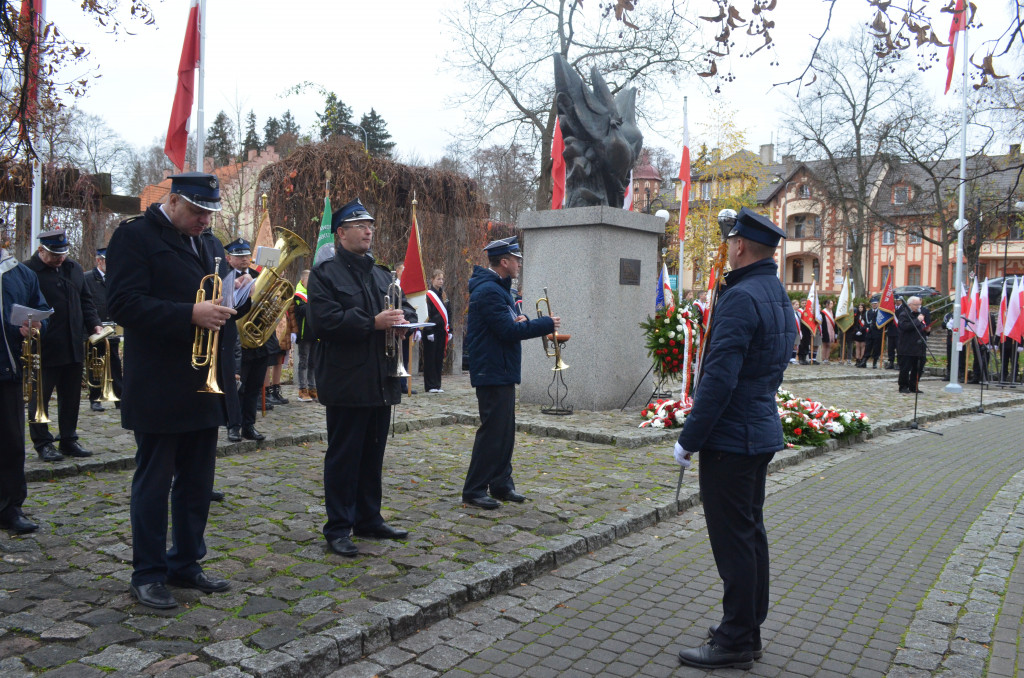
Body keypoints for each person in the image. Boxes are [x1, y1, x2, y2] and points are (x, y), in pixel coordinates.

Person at [107, 172, 247, 609]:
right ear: (174, 200)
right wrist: (191, 312)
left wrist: (236, 303)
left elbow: (215, 305)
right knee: (154, 482)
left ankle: (185, 561)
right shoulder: (135, 236)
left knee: (197, 482)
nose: (206, 221)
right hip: (159, 383)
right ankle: (147, 573)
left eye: (210, 214)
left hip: (204, 384)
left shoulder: (207, 244)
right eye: (199, 212)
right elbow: (123, 304)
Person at [674, 208, 796, 671]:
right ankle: (747, 627)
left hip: (733, 437)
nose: (728, 246)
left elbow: (718, 380)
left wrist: (689, 439)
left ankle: (736, 640)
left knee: (734, 542)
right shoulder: (773, 291)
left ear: (741, 245)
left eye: (730, 241)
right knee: (750, 535)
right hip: (757, 426)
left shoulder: (743, 296)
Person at [306, 198, 416, 557]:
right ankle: (338, 527)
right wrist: (372, 323)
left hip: (380, 378)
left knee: (373, 454)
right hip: (346, 380)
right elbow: (323, 322)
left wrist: (404, 324)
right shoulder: (325, 274)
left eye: (370, 224)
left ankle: (369, 517)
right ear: (340, 233)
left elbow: (408, 309)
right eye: (359, 225)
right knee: (344, 457)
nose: (369, 230)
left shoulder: (383, 273)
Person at [461, 236, 558, 510]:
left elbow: (509, 322)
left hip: (501, 368)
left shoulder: (501, 289)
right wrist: (545, 323)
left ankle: (501, 484)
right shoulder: (489, 291)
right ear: (504, 262)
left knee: (504, 433)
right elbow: (507, 330)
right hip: (492, 370)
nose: (519, 265)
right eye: (516, 260)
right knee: (492, 433)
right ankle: (474, 489)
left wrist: (525, 319)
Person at [25, 229, 103, 462]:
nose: (60, 258)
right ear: (41, 250)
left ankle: (68, 439)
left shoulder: (74, 268)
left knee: (71, 396)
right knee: (40, 398)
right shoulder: (28, 271)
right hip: (45, 346)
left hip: (73, 343)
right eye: (54, 254)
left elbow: (86, 302)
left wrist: (95, 325)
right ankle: (43, 443)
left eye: (63, 253)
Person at [0, 243, 51, 533]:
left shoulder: (21, 274)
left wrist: (35, 326)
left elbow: (41, 310)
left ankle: (10, 508)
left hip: (7, 370)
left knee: (10, 443)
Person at [225, 238, 276, 440]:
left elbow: (270, 305)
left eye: (246, 255)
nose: (244, 259)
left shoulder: (259, 276)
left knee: (254, 386)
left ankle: (249, 426)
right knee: (238, 386)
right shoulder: (226, 278)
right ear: (229, 259)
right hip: (237, 341)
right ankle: (233, 426)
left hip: (259, 339)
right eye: (239, 256)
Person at [84, 247, 123, 411]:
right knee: (94, 364)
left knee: (114, 362)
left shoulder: (116, 278)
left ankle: (119, 397)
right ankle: (95, 397)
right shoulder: (87, 278)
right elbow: (86, 302)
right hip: (94, 328)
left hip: (112, 328)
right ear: (99, 261)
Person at [423, 269, 451, 393]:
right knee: (430, 358)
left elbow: (448, 313)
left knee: (439, 357)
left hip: (442, 330)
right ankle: (430, 385)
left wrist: (450, 330)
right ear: (432, 279)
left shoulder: (443, 295)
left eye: (442, 279)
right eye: (438, 279)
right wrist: (428, 331)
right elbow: (426, 314)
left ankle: (437, 384)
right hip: (431, 331)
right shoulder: (428, 295)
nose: (441, 281)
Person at [291, 269, 317, 402]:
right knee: (303, 362)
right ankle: (302, 389)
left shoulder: (314, 295)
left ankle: (313, 388)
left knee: (313, 362)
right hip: (304, 334)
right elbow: (303, 310)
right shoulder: (299, 295)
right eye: (309, 281)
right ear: (302, 281)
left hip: (315, 333)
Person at [897, 296, 929, 393]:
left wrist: (927, 330)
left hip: (919, 347)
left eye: (919, 304)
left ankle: (914, 386)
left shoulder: (918, 315)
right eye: (916, 305)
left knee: (918, 368)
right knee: (905, 368)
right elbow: (905, 327)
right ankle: (903, 386)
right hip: (907, 347)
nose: (919, 307)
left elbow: (921, 327)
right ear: (909, 305)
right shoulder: (904, 314)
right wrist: (917, 321)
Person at [861, 299, 882, 368]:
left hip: (878, 332)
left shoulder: (881, 312)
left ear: (878, 303)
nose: (874, 305)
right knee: (868, 347)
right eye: (873, 304)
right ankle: (864, 361)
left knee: (876, 348)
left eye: (875, 303)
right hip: (869, 332)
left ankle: (875, 362)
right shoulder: (868, 312)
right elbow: (866, 322)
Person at [885, 297, 903, 369]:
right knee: (890, 348)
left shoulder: (904, 309)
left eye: (898, 300)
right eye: (896, 300)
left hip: (899, 331)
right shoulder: (891, 308)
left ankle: (899, 363)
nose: (897, 301)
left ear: (901, 301)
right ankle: (891, 362)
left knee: (899, 348)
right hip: (891, 331)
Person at [819, 298, 836, 364]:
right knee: (824, 344)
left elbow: (835, 322)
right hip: (825, 330)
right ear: (827, 305)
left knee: (829, 344)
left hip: (831, 330)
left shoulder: (833, 312)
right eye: (830, 303)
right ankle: (823, 358)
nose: (832, 305)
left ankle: (827, 358)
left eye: (832, 303)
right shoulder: (823, 312)